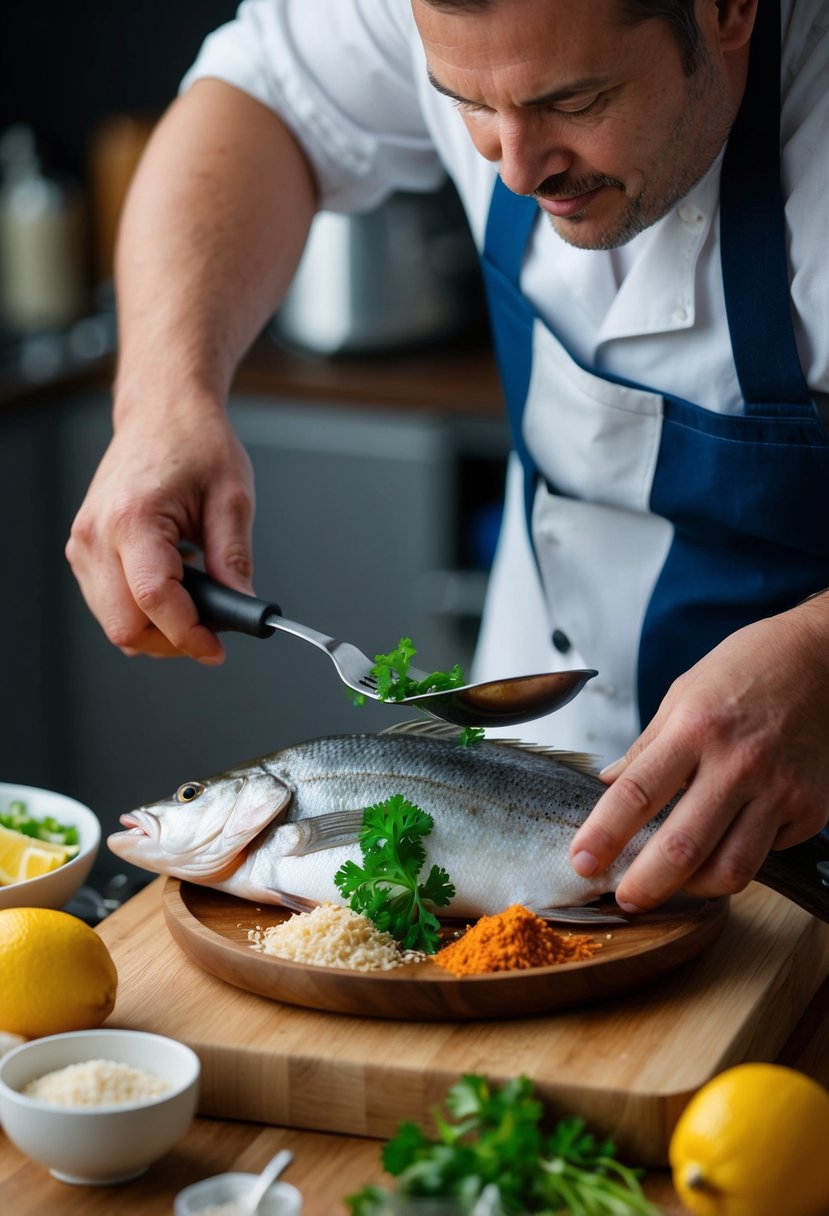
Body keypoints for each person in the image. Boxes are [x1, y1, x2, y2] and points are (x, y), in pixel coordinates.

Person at [65, 0, 829, 915]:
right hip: (525, 789)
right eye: (462, 101)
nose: (514, 169)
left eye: (576, 100)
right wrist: (162, 402)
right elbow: (258, 98)